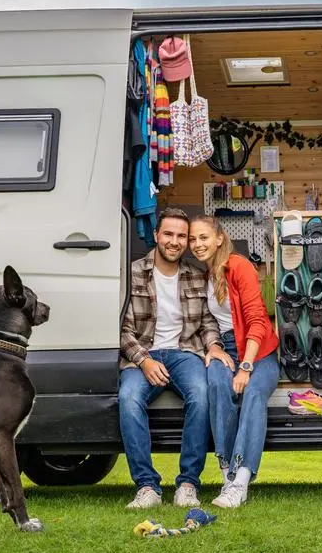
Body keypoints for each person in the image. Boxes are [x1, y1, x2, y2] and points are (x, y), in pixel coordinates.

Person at [118, 207, 234, 509]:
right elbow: (120, 327)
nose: (175, 241)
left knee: (200, 393)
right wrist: (143, 360)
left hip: (185, 353)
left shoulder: (197, 276)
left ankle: (187, 484)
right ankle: (147, 487)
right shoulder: (131, 273)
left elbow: (209, 321)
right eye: (168, 234)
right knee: (129, 398)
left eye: (181, 236)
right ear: (156, 235)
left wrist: (215, 347)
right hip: (143, 355)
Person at [189, 215, 281, 508]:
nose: (197, 244)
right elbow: (210, 321)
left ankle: (240, 481)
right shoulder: (207, 274)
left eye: (203, 237)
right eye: (193, 239)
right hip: (226, 347)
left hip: (259, 350)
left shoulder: (239, 266)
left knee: (253, 393)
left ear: (218, 238)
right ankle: (226, 474)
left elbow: (256, 319)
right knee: (216, 385)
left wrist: (246, 367)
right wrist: (215, 346)